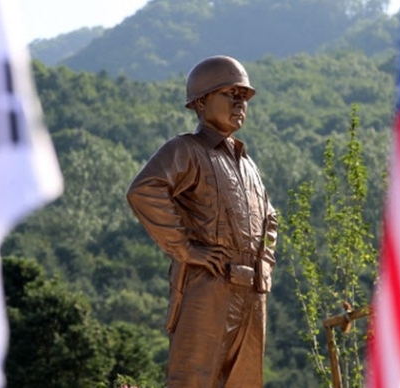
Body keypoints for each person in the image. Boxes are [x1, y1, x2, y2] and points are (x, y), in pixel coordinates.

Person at [126, 55, 278, 388]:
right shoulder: (186, 150)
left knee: (245, 381)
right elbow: (144, 190)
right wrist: (185, 248)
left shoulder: (247, 164)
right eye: (229, 93)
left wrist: (264, 264)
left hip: (252, 290)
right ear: (201, 101)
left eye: (244, 96)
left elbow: (271, 218)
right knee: (193, 378)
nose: (239, 102)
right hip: (207, 285)